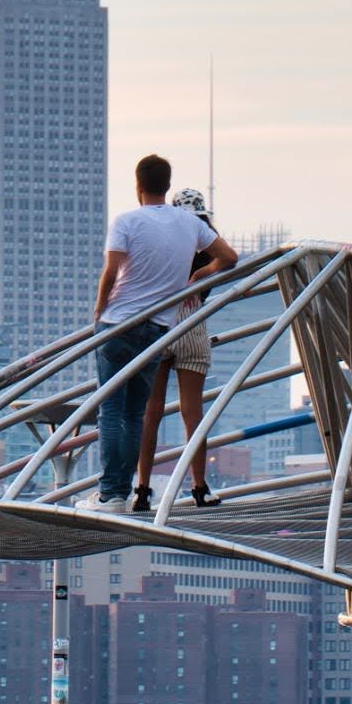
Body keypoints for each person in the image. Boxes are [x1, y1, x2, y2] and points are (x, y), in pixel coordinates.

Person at [76, 154, 238, 514]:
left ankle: (114, 493)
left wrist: (100, 308)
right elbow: (229, 257)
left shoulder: (127, 221)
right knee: (135, 413)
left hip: (118, 325)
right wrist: (199, 275)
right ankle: (128, 491)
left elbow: (111, 271)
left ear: (138, 186)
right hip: (158, 330)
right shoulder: (188, 223)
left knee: (112, 410)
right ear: (167, 185)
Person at [132, 187, 232, 513]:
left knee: (151, 413)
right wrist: (203, 274)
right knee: (193, 415)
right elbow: (230, 259)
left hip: (161, 325)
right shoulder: (206, 239)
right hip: (193, 324)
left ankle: (143, 489)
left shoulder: (162, 240)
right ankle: (199, 487)